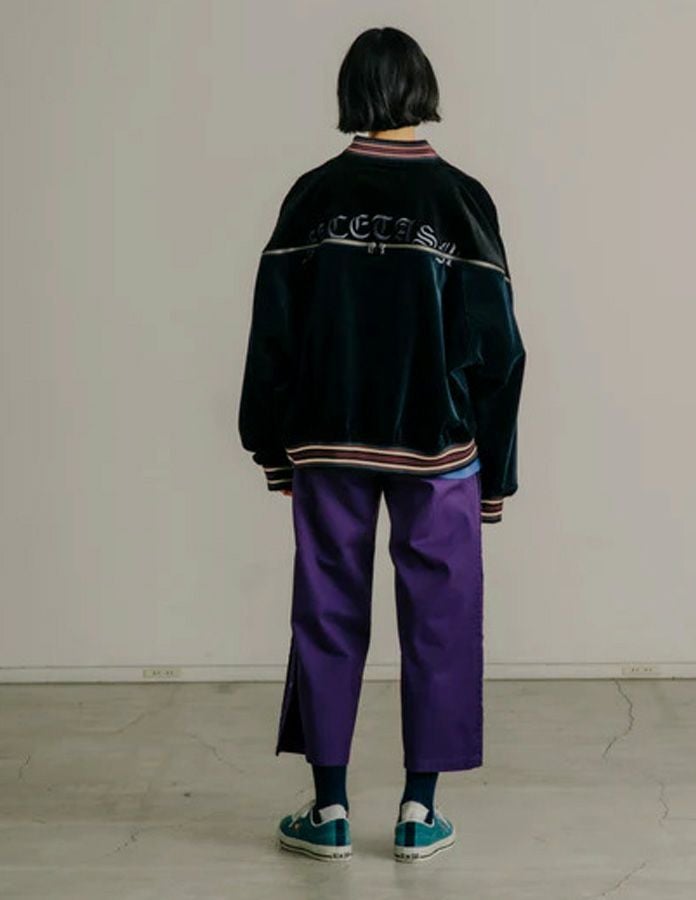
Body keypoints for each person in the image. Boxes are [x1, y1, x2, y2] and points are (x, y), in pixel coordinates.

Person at [237, 25, 526, 863]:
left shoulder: (312, 196)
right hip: (439, 453)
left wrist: (272, 446)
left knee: (326, 613)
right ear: (422, 88)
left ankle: (328, 811)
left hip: (327, 445)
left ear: (350, 92)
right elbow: (500, 347)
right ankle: (417, 813)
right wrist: (496, 475)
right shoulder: (462, 199)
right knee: (440, 620)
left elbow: (272, 332)